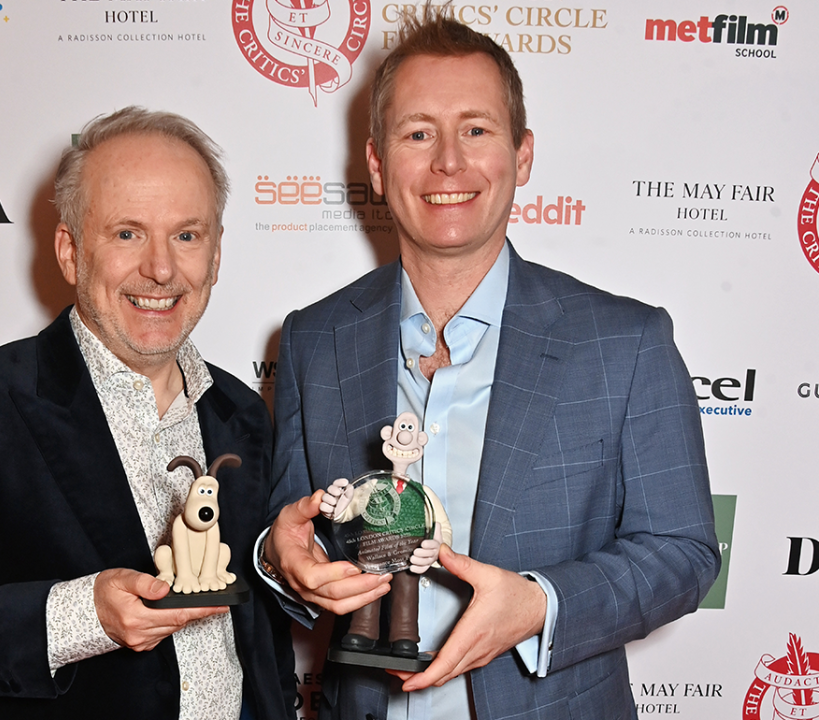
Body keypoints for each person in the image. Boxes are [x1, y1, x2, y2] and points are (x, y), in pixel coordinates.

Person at [259, 11, 720, 720]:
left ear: (523, 155)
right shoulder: (314, 339)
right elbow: (291, 530)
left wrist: (541, 605)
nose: (449, 161)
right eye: (418, 134)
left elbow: (683, 553)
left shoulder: (625, 342)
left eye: (476, 129)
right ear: (377, 167)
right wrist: (277, 558)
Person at [0, 107, 295, 720]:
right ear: (70, 252)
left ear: (217, 253)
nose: (162, 268)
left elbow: (258, 644)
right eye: (127, 233)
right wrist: (83, 614)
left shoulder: (242, 414)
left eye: (187, 234)